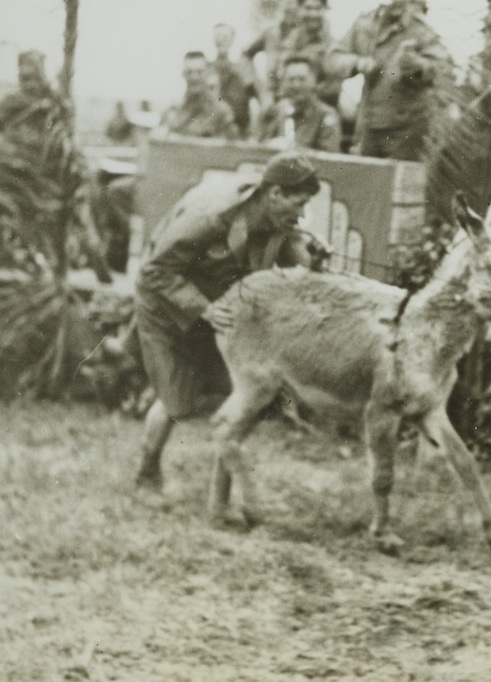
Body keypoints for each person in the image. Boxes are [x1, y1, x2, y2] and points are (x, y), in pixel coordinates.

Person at [118, 151, 323, 486]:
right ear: (274, 195)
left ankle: (221, 487)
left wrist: (313, 261)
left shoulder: (276, 221)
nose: (301, 215)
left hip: (213, 303)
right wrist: (204, 309)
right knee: (175, 395)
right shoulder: (210, 218)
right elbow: (155, 271)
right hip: (165, 303)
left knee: (239, 393)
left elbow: (289, 271)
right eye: (297, 204)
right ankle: (148, 469)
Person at [325, 0, 453, 162]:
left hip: (407, 131)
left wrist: (417, 67)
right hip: (368, 125)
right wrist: (357, 62)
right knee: (365, 184)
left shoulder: (420, 30)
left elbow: (444, 67)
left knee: (400, 187)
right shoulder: (363, 24)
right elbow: (333, 58)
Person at [257, 55, 342, 152]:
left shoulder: (325, 116)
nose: (296, 85)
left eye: (302, 79)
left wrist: (293, 149)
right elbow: (259, 148)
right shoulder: (275, 112)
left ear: (314, 81)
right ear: (283, 82)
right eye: (291, 79)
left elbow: (329, 159)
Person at [279, 0, 342, 109]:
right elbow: (281, 76)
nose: (313, 14)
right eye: (308, 8)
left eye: (318, 8)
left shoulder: (331, 45)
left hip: (320, 109)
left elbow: (334, 87)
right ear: (299, 9)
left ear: (324, 10)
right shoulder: (290, 41)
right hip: (289, 106)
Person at [242, 0, 301, 106]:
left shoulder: (304, 33)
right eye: (288, 2)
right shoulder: (270, 32)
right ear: (280, 4)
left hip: (297, 96)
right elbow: (245, 54)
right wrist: (256, 86)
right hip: (271, 97)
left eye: (295, 3)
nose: (291, 7)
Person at [159, 51, 239, 139]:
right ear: (184, 75)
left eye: (199, 72)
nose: (194, 77)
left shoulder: (222, 112)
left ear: (207, 73)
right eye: (189, 72)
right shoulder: (172, 113)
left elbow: (233, 147)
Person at [0, 49, 65, 145]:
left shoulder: (52, 98)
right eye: (26, 79)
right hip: (15, 152)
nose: (31, 84)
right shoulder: (12, 101)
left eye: (35, 78)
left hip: (43, 151)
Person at [211, 23, 255, 138]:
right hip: (212, 129)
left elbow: (257, 95)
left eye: (225, 37)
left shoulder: (242, 68)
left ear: (232, 40)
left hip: (239, 131)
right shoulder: (207, 69)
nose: (221, 40)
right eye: (218, 36)